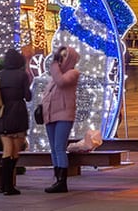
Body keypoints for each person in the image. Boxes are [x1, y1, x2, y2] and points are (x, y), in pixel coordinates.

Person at [40, 45, 80, 193]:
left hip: (64, 116)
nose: (61, 59)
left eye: (64, 56)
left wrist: (54, 65)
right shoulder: (54, 77)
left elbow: (62, 82)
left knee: (59, 148)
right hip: (50, 115)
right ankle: (57, 179)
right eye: (60, 56)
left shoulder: (73, 73)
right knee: (53, 149)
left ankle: (62, 182)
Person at [0, 48, 32, 196]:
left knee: (6, 150)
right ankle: (9, 185)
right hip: (18, 113)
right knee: (15, 151)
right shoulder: (22, 75)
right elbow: (28, 96)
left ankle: (4, 185)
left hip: (3, 114)